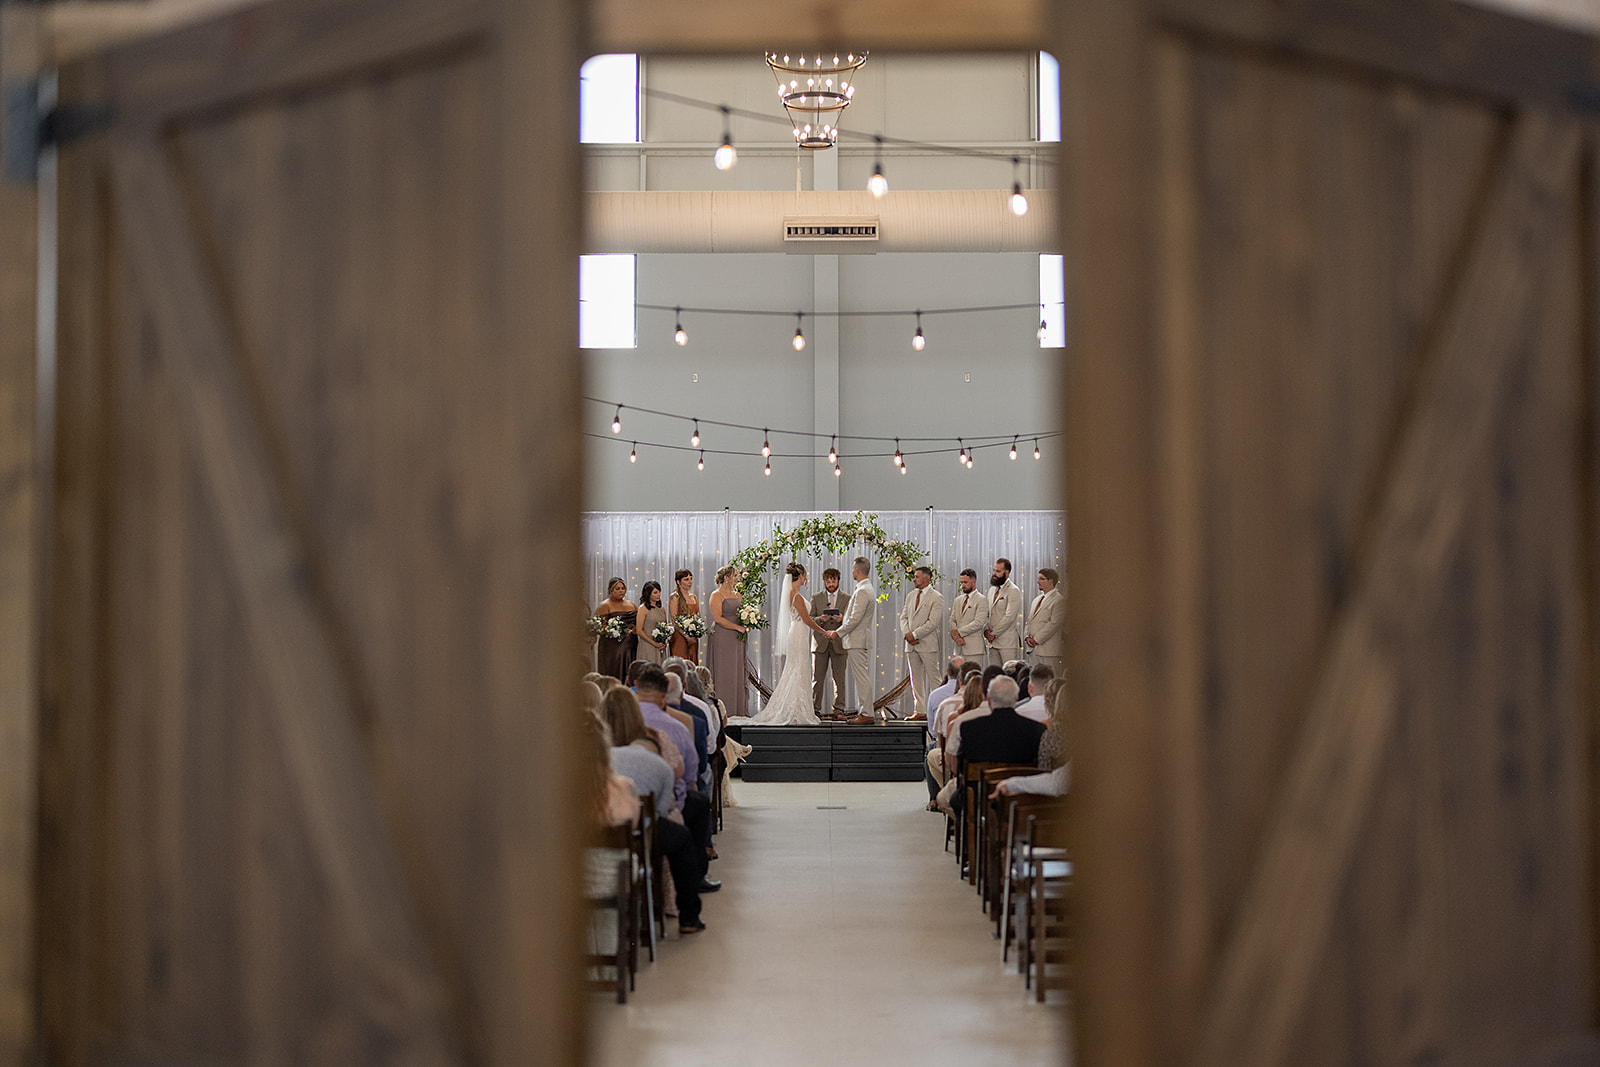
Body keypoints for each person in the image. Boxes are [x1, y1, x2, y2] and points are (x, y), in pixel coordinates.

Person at [603, 687, 709, 933]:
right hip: (640, 837)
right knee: (681, 838)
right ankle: (689, 916)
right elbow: (661, 811)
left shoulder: (592, 757)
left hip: (594, 836)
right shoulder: (657, 763)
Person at [733, 562, 829, 725]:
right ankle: (796, 709)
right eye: (805, 574)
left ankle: (798, 707)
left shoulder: (792, 592)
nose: (807, 578)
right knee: (798, 669)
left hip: (797, 631)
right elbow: (806, 619)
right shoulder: (796, 595)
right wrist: (824, 631)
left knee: (798, 669)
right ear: (801, 575)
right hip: (798, 632)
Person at [942, 676, 1043, 817]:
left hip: (979, 798)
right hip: (1021, 800)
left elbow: (961, 767)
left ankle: (970, 837)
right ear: (1017, 697)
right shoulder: (1037, 729)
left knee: (955, 800)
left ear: (988, 698)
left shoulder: (969, 728)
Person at [899, 566, 945, 721]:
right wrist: (907, 634)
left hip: (927, 643)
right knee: (915, 679)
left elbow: (933, 622)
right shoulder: (911, 595)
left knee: (934, 678)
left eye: (917, 576)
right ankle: (920, 711)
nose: (914, 579)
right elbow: (903, 617)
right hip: (911, 644)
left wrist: (915, 634)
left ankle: (940, 710)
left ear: (927, 578)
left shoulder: (936, 597)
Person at [838, 557, 879, 724]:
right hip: (858, 639)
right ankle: (865, 711)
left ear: (857, 570)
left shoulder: (863, 590)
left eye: (853, 568)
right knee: (862, 676)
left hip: (857, 639)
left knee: (861, 677)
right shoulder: (865, 588)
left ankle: (866, 713)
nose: (852, 571)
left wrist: (837, 633)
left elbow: (855, 619)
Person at [707, 565, 749, 719]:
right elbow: (717, 618)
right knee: (723, 670)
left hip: (737, 638)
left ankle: (737, 709)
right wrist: (737, 627)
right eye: (735, 575)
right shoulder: (716, 595)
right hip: (722, 635)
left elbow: (741, 613)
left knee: (736, 669)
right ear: (726, 578)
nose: (737, 578)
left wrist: (747, 622)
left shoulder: (738, 594)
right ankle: (722, 709)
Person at [810, 567, 849, 718]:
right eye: (828, 581)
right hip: (820, 642)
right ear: (824, 582)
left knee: (839, 679)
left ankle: (839, 710)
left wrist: (842, 619)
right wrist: (821, 619)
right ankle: (814, 710)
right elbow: (809, 618)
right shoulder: (816, 597)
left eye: (833, 581)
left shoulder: (847, 598)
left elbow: (853, 619)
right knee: (817, 679)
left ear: (838, 581)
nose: (831, 584)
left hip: (839, 642)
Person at [593, 577, 637, 682]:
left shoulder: (631, 604)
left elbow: (638, 622)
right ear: (611, 590)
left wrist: (635, 629)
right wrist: (614, 631)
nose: (621, 591)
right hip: (612, 646)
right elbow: (597, 625)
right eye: (617, 589)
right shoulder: (604, 605)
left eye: (623, 588)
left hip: (631, 645)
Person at [1025, 568, 1066, 679]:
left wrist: (1036, 639)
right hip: (1034, 650)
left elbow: (1054, 624)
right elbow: (1029, 621)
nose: (1038, 582)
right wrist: (1027, 637)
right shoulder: (1036, 600)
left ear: (1050, 581)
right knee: (1036, 681)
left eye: (1042, 579)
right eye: (1038, 579)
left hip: (1049, 651)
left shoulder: (1059, 600)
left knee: (1051, 681)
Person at [983, 558, 1023, 668]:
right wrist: (986, 631)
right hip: (992, 643)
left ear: (1007, 573)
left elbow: (1009, 617)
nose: (994, 574)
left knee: (1010, 675)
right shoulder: (992, 590)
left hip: (1007, 642)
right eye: (994, 570)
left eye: (998, 571)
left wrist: (994, 633)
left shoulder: (1013, 590)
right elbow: (987, 613)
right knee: (995, 676)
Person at [947, 569, 989, 663]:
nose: (963, 585)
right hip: (958, 647)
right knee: (959, 676)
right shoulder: (958, 600)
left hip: (974, 649)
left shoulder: (981, 599)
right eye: (961, 582)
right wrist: (957, 637)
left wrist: (959, 632)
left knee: (973, 676)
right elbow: (952, 619)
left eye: (965, 582)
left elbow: (979, 623)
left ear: (974, 581)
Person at [667, 568, 701, 664]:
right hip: (679, 636)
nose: (690, 582)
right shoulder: (675, 597)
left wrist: (696, 632)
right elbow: (674, 620)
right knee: (680, 664)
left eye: (691, 579)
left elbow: (698, 616)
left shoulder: (694, 596)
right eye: (686, 579)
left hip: (693, 637)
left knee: (692, 663)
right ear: (678, 582)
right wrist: (686, 636)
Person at [634, 580, 669, 665]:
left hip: (660, 646)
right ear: (648, 594)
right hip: (647, 645)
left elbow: (665, 627)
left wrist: (663, 642)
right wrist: (654, 643)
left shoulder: (662, 609)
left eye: (659, 592)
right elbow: (639, 630)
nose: (659, 594)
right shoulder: (643, 608)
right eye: (655, 592)